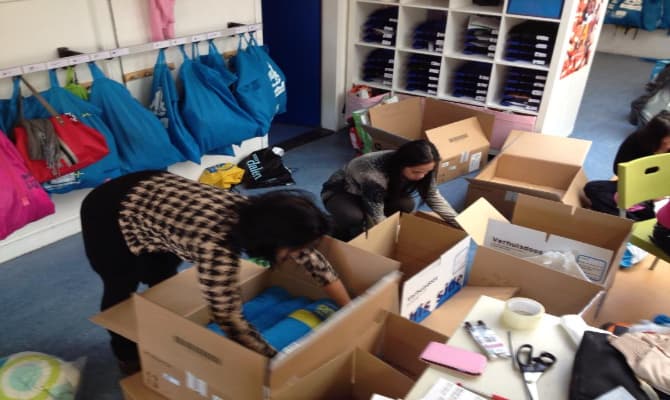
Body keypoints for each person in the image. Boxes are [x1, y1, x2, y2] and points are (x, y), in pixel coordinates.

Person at [80, 171, 351, 374]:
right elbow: (229, 320)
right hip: (110, 210)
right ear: (271, 242)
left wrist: (349, 308)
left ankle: (162, 330)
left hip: (159, 200)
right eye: (292, 250)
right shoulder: (217, 250)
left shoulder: (266, 218)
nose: (297, 255)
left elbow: (315, 262)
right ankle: (126, 355)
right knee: (120, 283)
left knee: (161, 273)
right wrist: (279, 361)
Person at [321, 139, 460, 241]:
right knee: (353, 217)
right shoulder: (372, 172)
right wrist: (392, 239)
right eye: (416, 172)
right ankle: (336, 226)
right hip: (343, 193)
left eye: (427, 172)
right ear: (402, 165)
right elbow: (375, 214)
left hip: (378, 193)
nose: (421, 176)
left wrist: (460, 223)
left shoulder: (424, 167)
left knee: (406, 204)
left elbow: (433, 196)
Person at [583, 110, 670, 220]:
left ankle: (637, 216)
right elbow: (618, 169)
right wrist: (646, 192)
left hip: (662, 192)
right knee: (593, 188)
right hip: (638, 187)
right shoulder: (637, 141)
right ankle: (636, 217)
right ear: (660, 136)